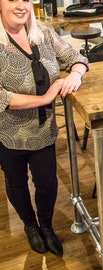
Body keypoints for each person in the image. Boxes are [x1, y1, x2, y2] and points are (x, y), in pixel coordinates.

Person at [0, 0, 88, 256]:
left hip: (44, 132)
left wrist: (75, 75)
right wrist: (45, 99)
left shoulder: (44, 33)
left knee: (47, 184)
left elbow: (77, 57)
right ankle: (30, 226)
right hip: (8, 134)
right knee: (16, 182)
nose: (21, 6)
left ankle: (46, 226)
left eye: (25, 0)